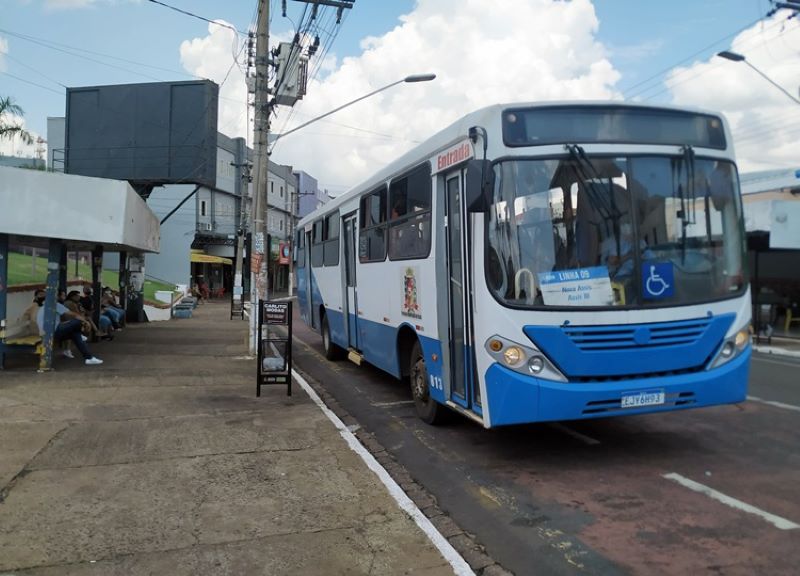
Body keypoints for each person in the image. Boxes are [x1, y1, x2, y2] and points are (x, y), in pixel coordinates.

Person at [34, 290, 103, 365]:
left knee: (76, 334)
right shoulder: (54, 304)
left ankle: (89, 358)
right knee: (77, 321)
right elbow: (73, 314)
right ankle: (81, 334)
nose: (58, 297)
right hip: (53, 332)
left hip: (46, 334)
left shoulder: (43, 307)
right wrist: (86, 322)